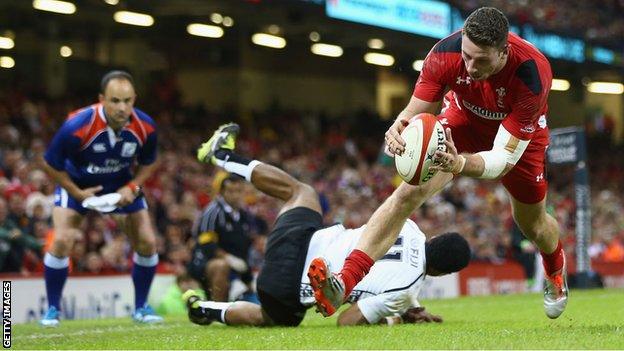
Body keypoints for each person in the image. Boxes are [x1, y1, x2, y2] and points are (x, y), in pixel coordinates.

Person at [309, 7, 568, 320]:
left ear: (504, 51)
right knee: (407, 193)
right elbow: (415, 111)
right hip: (461, 122)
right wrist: (400, 127)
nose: (470, 67)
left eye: (481, 59)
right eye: (467, 56)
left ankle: (555, 270)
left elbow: (501, 159)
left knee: (533, 225)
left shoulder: (532, 73)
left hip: (518, 143)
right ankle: (345, 282)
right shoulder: (444, 53)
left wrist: (459, 164)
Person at [181, 123, 469, 327]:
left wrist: (410, 307)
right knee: (268, 318)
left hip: (301, 238)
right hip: (289, 286)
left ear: (435, 238)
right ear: (443, 273)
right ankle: (204, 309)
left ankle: (224, 156)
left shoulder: (410, 227)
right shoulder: (406, 290)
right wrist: (396, 317)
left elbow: (397, 263)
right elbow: (348, 320)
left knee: (301, 192)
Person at [39, 70, 162, 326]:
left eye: (127, 101)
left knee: (148, 241)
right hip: (78, 185)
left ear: (134, 99)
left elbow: (149, 162)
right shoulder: (77, 125)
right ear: (101, 99)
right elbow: (50, 163)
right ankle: (52, 310)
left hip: (119, 184)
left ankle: (141, 308)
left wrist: (132, 186)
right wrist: (75, 192)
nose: (122, 107)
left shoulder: (146, 126)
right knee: (61, 240)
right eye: (115, 101)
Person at [188, 174, 258, 302]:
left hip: (239, 264)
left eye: (239, 191)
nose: (235, 195)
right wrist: (228, 258)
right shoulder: (213, 211)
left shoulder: (244, 215)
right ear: (222, 192)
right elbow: (206, 243)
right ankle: (218, 310)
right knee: (221, 266)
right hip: (205, 262)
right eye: (230, 191)